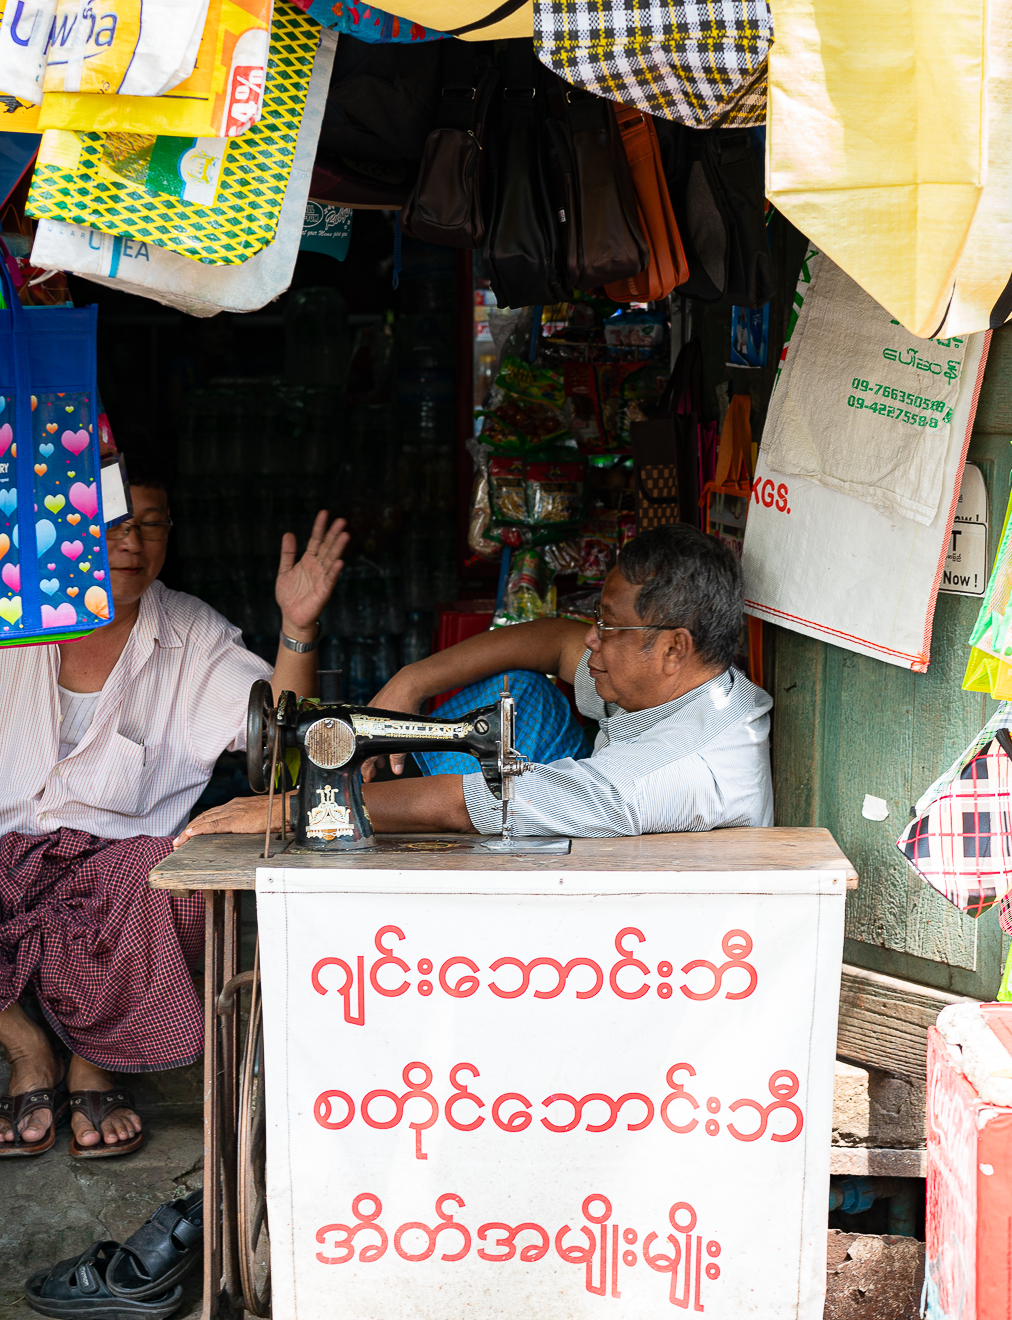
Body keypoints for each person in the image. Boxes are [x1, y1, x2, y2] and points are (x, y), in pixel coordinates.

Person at [0, 449, 348, 1158]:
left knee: (176, 877)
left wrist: (298, 625)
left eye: (151, 525)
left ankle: (98, 1059)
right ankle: (28, 1047)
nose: (130, 542)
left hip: (117, 869)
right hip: (6, 848)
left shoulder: (190, 635)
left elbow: (282, 740)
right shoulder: (14, 611)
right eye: (111, 522)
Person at [181, 524, 772, 845]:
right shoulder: (684, 686)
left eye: (609, 626)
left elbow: (477, 803)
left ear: (674, 646)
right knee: (520, 691)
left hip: (627, 959)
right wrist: (411, 682)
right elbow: (555, 640)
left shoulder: (665, 771)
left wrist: (291, 808)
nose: (593, 639)